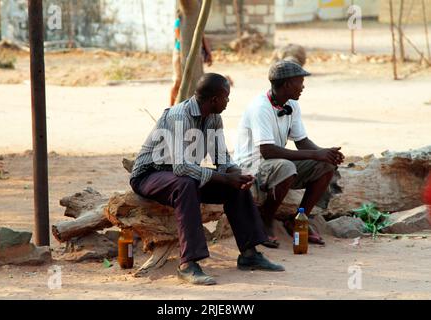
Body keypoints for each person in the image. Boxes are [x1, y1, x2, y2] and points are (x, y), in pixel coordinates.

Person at [131, 73, 284, 286]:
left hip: (182, 177)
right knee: (186, 183)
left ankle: (249, 254)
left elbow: (221, 158)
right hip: (150, 175)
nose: (228, 102)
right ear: (214, 99)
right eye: (226, 97)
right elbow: (182, 167)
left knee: (235, 186)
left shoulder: (213, 118)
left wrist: (236, 174)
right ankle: (188, 264)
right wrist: (222, 177)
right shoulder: (179, 116)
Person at [233, 61, 345, 248]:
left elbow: (302, 142)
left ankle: (299, 220)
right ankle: (265, 220)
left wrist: (326, 154)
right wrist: (315, 155)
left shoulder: (291, 104)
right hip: (252, 165)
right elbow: (267, 151)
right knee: (287, 167)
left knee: (326, 166)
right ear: (286, 85)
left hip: (276, 162)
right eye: (300, 82)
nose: (303, 86)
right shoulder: (261, 107)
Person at [170, 12, 213, 106]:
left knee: (196, 80)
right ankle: (170, 106)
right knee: (178, 80)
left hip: (195, 53)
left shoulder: (197, 21)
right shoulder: (179, 21)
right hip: (180, 52)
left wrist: (208, 52)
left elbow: (202, 36)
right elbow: (179, 38)